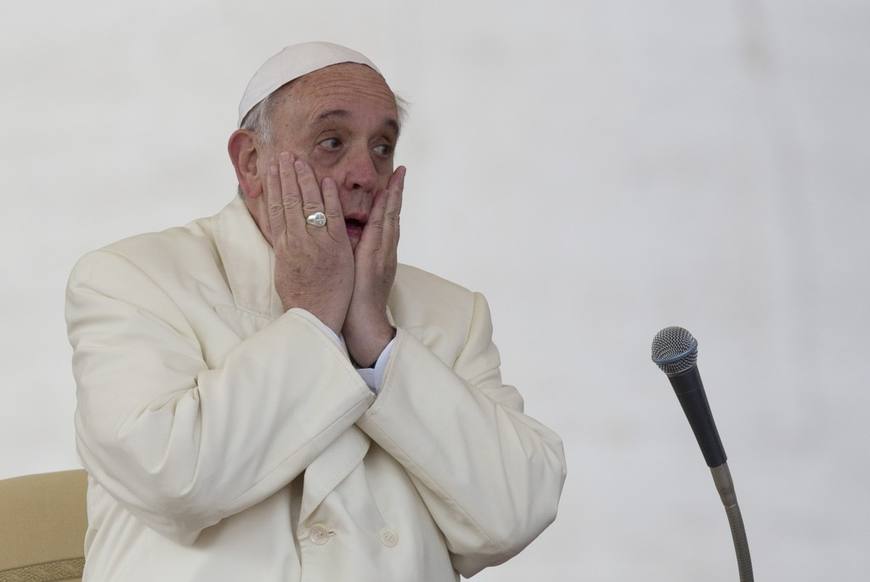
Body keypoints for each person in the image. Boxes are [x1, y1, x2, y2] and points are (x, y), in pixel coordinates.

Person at [65, 41, 566, 582]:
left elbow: (515, 512)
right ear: (250, 162)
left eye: (382, 147)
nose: (365, 175)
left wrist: (378, 341)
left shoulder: (451, 313)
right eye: (332, 141)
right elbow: (171, 478)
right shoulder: (133, 278)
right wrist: (315, 320)